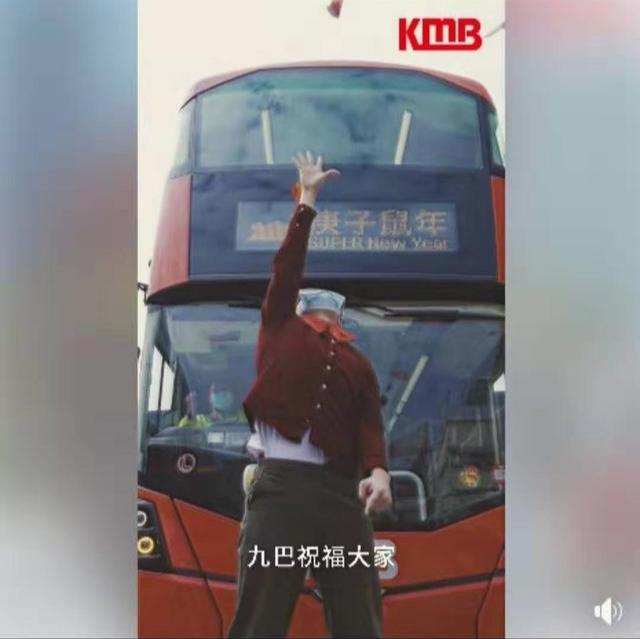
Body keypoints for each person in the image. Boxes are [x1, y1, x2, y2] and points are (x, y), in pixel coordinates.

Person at [227, 151, 392, 639]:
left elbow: (370, 427)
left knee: (360, 618)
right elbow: (287, 266)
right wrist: (309, 201)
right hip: (280, 490)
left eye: (330, 312)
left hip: (342, 496)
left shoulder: (358, 363)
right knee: (259, 619)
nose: (323, 316)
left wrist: (379, 473)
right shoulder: (280, 326)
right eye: (315, 308)